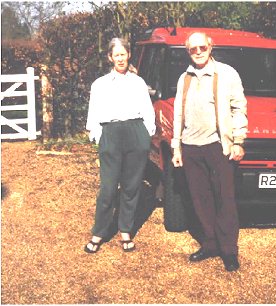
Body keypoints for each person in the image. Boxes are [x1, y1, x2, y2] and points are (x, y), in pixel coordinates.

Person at [171, 32, 248, 271]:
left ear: (210, 46)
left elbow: (239, 108)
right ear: (188, 52)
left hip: (218, 146)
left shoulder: (227, 73)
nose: (198, 52)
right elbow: (178, 114)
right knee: (200, 199)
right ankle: (211, 243)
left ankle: (229, 250)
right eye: (192, 49)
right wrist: (176, 146)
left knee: (224, 199)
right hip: (191, 147)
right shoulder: (184, 77)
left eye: (201, 47)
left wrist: (238, 140)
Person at [84, 38, 156, 253]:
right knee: (108, 188)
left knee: (132, 186)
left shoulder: (138, 82)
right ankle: (99, 232)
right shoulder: (100, 84)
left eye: (123, 54)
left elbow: (147, 111)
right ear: (110, 57)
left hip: (135, 133)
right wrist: (99, 137)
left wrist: (145, 135)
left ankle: (125, 231)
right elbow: (94, 113)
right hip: (111, 134)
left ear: (128, 55)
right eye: (116, 55)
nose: (120, 58)